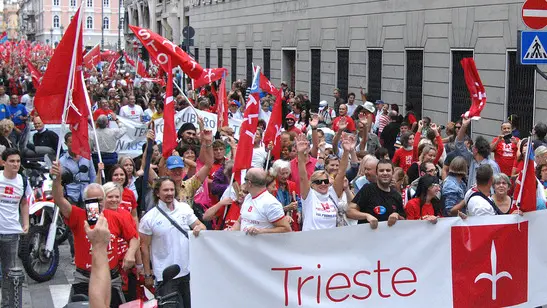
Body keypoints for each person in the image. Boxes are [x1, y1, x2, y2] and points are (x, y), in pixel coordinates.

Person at [51, 161, 139, 307]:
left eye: (99, 200)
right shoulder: (78, 215)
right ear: (85, 201)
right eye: (91, 200)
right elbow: (59, 199)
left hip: (111, 278)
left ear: (104, 200)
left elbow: (134, 238)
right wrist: (57, 179)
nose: (96, 204)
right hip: (84, 279)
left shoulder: (117, 216)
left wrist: (130, 253)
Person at [139, 178, 206, 308]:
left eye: (171, 189)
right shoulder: (149, 218)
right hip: (165, 275)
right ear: (157, 193)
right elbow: (144, 247)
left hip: (188, 271)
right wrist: (147, 274)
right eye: (165, 190)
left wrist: (199, 228)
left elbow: (201, 226)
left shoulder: (184, 208)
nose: (169, 193)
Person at [297, 133, 350, 230]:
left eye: (325, 181)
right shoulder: (309, 196)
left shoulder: (332, 193)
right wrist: (300, 153)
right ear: (312, 185)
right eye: (318, 182)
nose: (323, 184)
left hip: (330, 242)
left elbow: (341, 172)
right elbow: (303, 177)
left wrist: (346, 151)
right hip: (310, 241)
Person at [0, 148, 30, 308]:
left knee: (9, 274)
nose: (15, 164)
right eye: (11, 161)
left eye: (18, 161)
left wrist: (26, 223)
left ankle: (8, 305)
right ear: (3, 162)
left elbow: (24, 202)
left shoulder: (23, 181)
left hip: (11, 232)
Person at [347, 160, 405, 228]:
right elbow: (349, 211)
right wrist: (366, 216)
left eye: (388, 170)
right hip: (367, 236)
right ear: (376, 173)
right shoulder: (368, 189)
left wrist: (397, 215)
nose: (385, 173)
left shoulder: (397, 195)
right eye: (381, 170)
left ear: (392, 173)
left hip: (389, 237)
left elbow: (404, 219)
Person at [232, 168, 292, 234]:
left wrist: (261, 231)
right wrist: (231, 231)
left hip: (262, 244)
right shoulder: (248, 197)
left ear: (249, 183)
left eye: (245, 179)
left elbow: (286, 229)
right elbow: (240, 221)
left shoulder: (271, 203)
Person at [455, 117, 500, 189]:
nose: (471, 148)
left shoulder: (492, 166)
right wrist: (464, 126)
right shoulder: (472, 160)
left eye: (472, 146)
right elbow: (459, 144)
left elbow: (496, 186)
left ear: (475, 150)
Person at [59, 132, 97, 205]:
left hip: (87, 195)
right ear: (66, 143)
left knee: (91, 216)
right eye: (71, 142)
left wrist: (93, 192)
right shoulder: (62, 161)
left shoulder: (87, 157)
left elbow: (93, 176)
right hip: (70, 195)